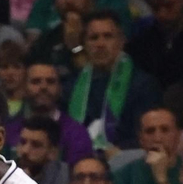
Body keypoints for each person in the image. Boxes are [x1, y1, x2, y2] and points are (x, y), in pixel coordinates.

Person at [69, 10, 163, 153]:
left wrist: (120, 151)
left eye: (108, 36)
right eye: (94, 38)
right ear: (84, 44)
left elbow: (148, 134)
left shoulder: (143, 85)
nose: (100, 44)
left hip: (125, 157)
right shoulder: (71, 86)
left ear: (122, 41)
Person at [7, 63, 95, 164]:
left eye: (50, 82)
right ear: (24, 88)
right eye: (36, 82)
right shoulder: (9, 130)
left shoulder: (77, 134)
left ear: (60, 88)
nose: (44, 87)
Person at [25, 0, 95, 91]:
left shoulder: (102, 35)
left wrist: (75, 47)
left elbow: (95, 81)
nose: (69, 0)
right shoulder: (46, 41)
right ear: (56, 1)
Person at [113, 108, 183, 184]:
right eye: (150, 131)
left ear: (178, 135)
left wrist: (161, 178)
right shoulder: (122, 177)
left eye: (165, 130)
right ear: (141, 139)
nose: (157, 138)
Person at [15, 116, 69, 184]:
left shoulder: (64, 179)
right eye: (23, 142)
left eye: (36, 145)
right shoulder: (6, 172)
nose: (25, 150)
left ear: (53, 153)